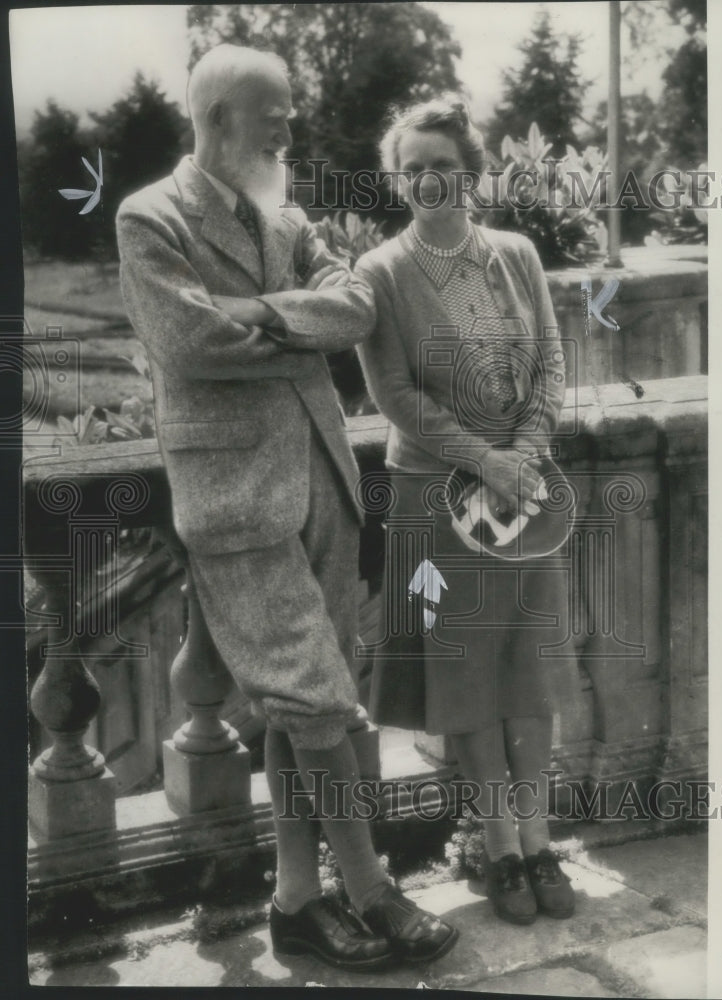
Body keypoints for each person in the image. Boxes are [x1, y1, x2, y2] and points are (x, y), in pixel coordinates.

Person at [116, 45, 458, 970]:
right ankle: (372, 890)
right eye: (275, 115)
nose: (290, 130)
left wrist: (258, 314)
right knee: (317, 707)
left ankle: (297, 901)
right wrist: (289, 320)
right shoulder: (147, 218)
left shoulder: (287, 213)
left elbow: (353, 311)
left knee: (316, 702)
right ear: (221, 117)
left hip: (324, 483)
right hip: (233, 500)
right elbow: (189, 340)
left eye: (293, 116)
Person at [355, 96, 576, 926]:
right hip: (434, 496)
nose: (426, 182)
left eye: (440, 166)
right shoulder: (380, 271)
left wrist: (523, 453)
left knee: (527, 669)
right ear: (396, 177)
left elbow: (551, 359)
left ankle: (539, 835)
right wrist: (484, 460)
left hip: (524, 494)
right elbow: (395, 395)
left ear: (469, 171)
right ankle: (499, 849)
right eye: (411, 169)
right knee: (464, 673)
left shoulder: (514, 254)